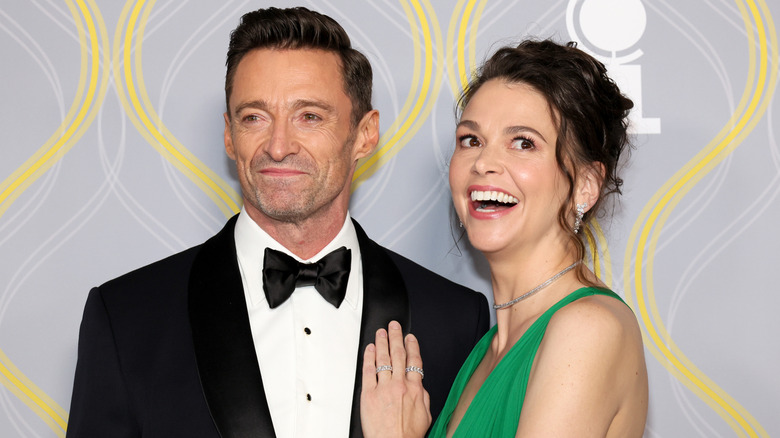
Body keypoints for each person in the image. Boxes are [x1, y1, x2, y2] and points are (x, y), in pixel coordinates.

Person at [66, 7, 489, 438]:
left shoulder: (455, 320)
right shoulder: (127, 317)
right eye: (254, 117)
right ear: (229, 135)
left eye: (310, 116)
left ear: (364, 134)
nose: (279, 146)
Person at [361, 39, 648, 437]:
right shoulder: (488, 349)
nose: (483, 163)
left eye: (523, 142)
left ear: (585, 184)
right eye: (471, 140)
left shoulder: (586, 329)